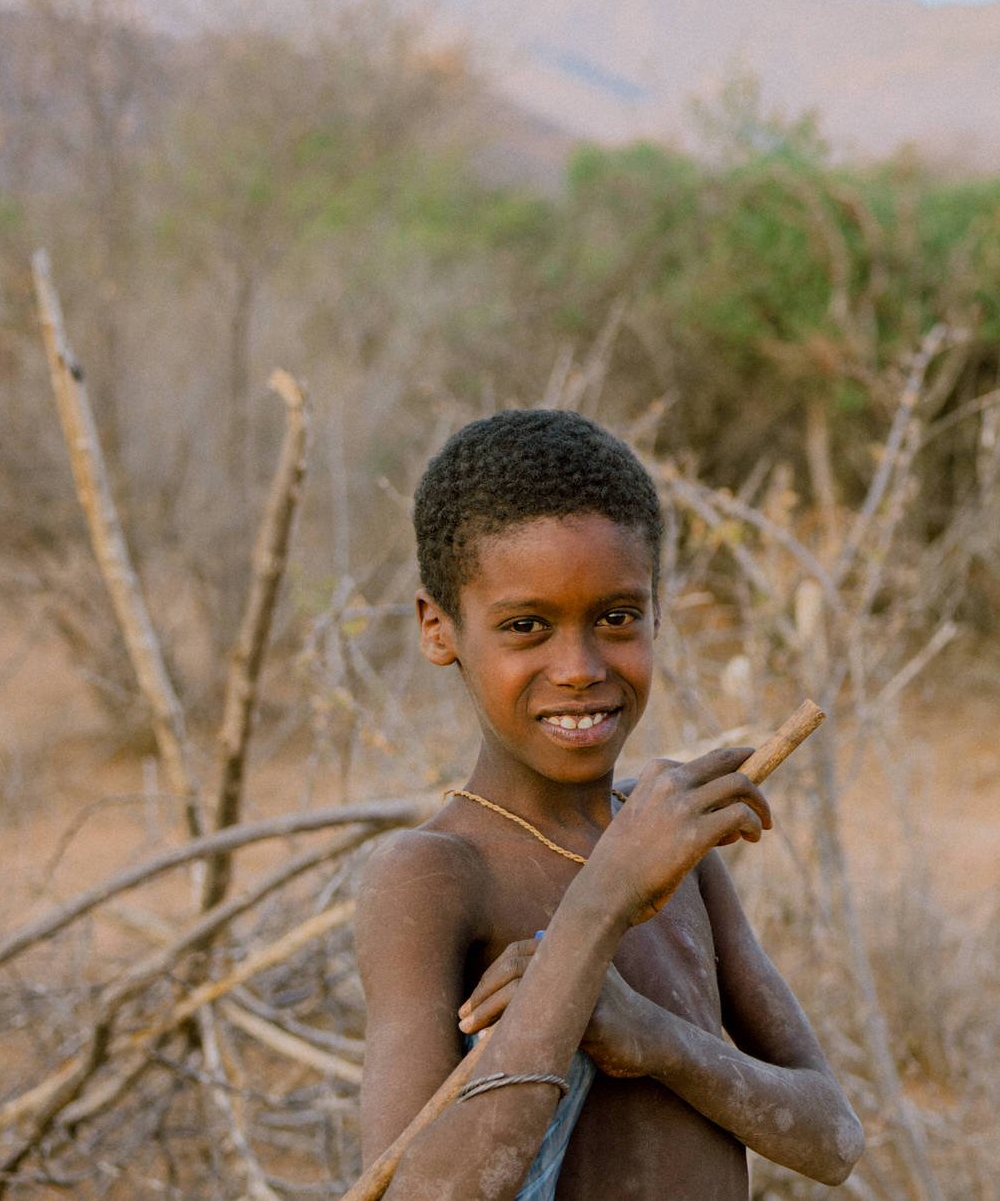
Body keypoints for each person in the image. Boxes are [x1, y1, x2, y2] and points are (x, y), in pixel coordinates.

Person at [354, 409, 863, 1200]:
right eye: (526, 627)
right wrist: (596, 911)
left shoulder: (670, 844)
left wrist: (655, 1039)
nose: (581, 667)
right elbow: (417, 1194)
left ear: (657, 609)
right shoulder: (432, 877)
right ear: (438, 628)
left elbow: (833, 1138)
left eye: (616, 618)